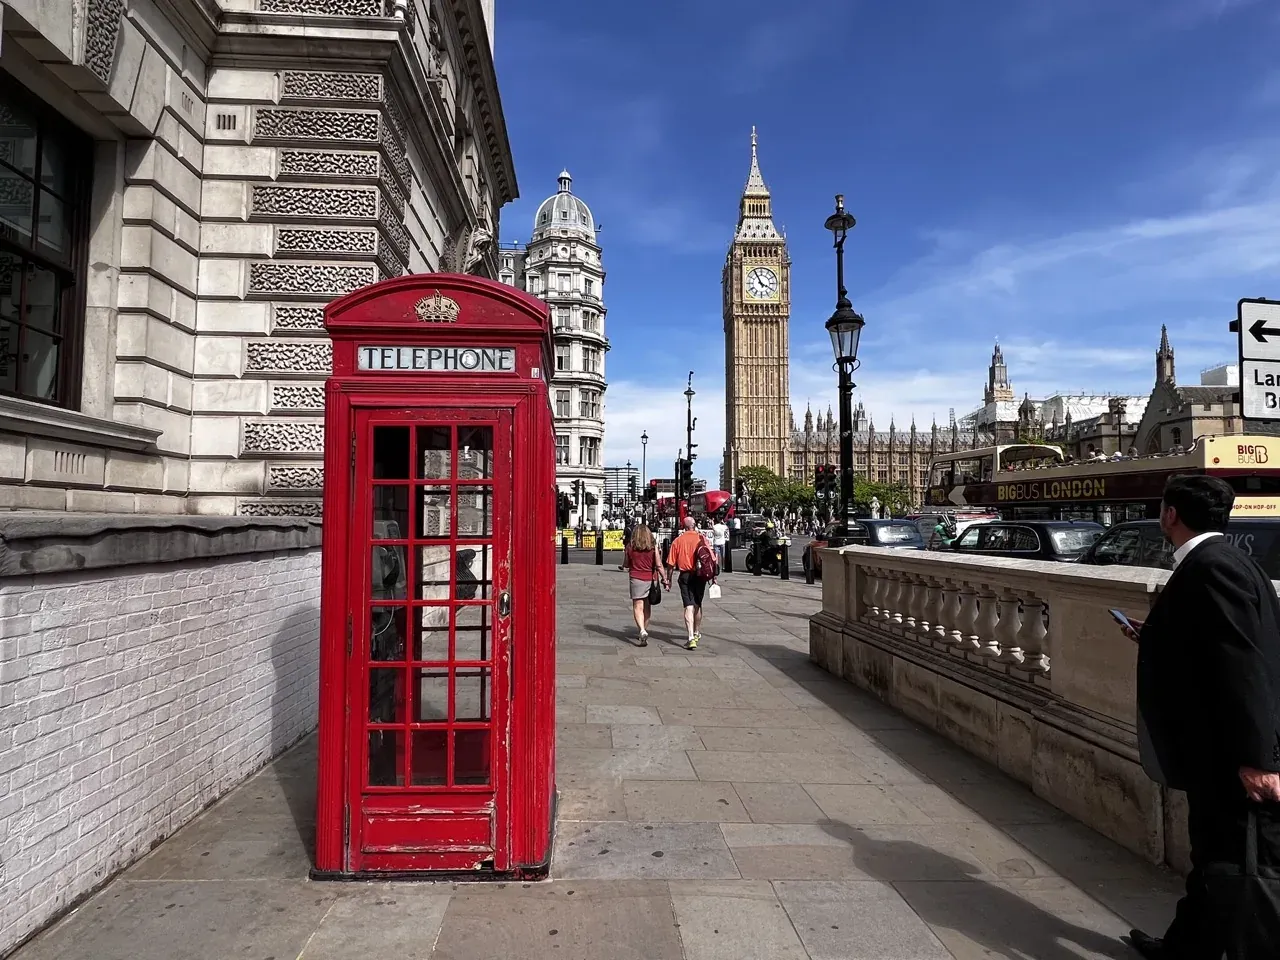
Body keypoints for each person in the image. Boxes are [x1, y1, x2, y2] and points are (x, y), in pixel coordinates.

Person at [1119, 475, 1280, 959]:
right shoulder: (1230, 561)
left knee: (1238, 863)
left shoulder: (1210, 568)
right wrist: (1159, 634)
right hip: (1222, 749)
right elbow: (1214, 645)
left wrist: (1257, 761)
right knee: (1213, 856)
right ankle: (1184, 947)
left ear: (1170, 515)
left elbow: (1243, 667)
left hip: (1229, 755)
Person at [666, 516, 713, 650]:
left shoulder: (678, 541)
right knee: (698, 604)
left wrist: (668, 580)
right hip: (700, 576)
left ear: (684, 527)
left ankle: (691, 637)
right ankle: (697, 632)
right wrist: (713, 577)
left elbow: (670, 564)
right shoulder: (702, 539)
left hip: (685, 575)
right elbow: (711, 558)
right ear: (694, 525)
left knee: (688, 606)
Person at [622, 523, 664, 646]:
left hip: (636, 578)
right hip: (650, 578)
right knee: (647, 606)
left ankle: (641, 630)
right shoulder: (652, 547)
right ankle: (644, 629)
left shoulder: (630, 546)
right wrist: (665, 579)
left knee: (637, 606)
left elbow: (625, 564)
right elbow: (659, 564)